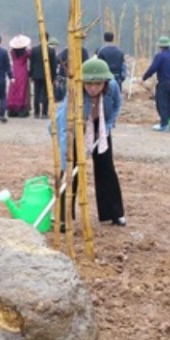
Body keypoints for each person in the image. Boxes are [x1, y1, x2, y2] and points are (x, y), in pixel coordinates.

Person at [55, 58, 125, 225]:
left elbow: (117, 106)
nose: (93, 89)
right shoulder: (74, 91)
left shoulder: (112, 86)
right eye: (89, 84)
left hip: (100, 125)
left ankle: (114, 213)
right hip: (76, 126)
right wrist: (66, 159)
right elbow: (63, 125)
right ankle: (64, 217)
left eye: (98, 84)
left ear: (105, 82)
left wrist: (108, 125)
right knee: (72, 172)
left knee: (106, 169)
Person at [141, 35, 170, 131]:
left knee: (161, 103)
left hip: (164, 82)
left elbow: (153, 68)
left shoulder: (159, 56)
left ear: (160, 46)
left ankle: (164, 124)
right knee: (167, 102)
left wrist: (144, 78)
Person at [30, 33, 57, 119]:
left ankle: (36, 112)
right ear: (48, 39)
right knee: (46, 94)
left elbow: (31, 63)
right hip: (47, 75)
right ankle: (44, 113)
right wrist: (54, 76)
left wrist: (31, 74)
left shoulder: (34, 50)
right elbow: (53, 65)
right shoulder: (51, 51)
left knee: (36, 94)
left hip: (36, 75)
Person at [7, 34, 32, 117]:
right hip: (23, 72)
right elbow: (30, 53)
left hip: (14, 70)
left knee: (13, 90)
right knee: (22, 90)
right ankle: (21, 109)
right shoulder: (26, 53)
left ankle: (12, 109)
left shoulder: (12, 53)